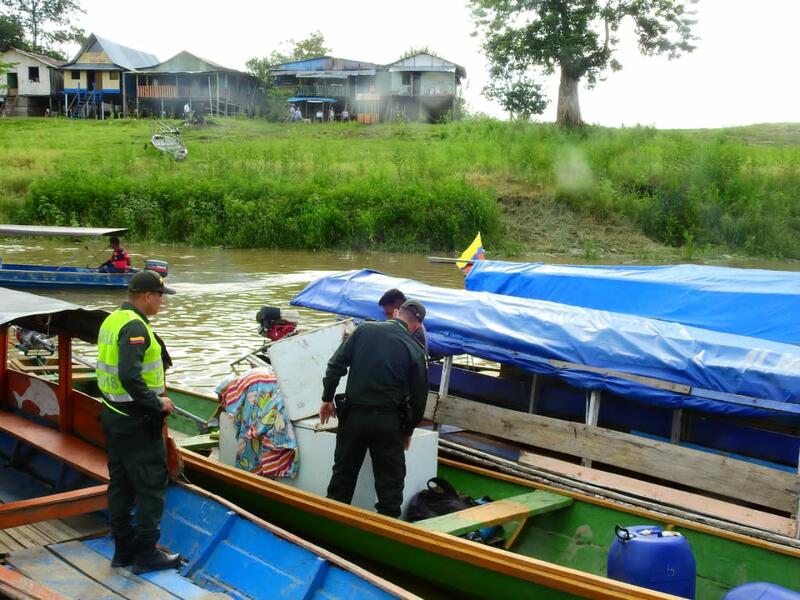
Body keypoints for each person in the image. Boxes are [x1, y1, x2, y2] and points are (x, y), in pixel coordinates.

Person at [96, 270, 181, 573]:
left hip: (112, 415)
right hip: (135, 420)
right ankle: (146, 553)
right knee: (151, 485)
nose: (162, 302)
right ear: (147, 296)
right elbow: (129, 376)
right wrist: (157, 403)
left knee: (119, 483)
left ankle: (122, 552)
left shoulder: (112, 319)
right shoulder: (136, 327)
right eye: (160, 296)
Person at [319, 299, 428, 518]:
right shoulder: (415, 349)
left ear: (397, 313)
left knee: (342, 475)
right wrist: (408, 431)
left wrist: (327, 399)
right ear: (417, 325)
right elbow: (419, 399)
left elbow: (335, 365)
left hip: (353, 419)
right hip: (388, 425)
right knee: (390, 484)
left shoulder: (364, 330)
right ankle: (387, 530)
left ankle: (332, 524)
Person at [378, 288, 428, 356]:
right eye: (386, 315)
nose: (388, 319)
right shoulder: (409, 326)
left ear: (398, 312)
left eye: (389, 314)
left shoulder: (413, 335)